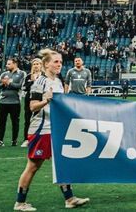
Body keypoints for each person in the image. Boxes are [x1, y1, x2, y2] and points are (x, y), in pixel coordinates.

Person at [14, 48, 89, 211]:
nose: (59, 64)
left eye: (61, 62)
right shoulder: (40, 82)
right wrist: (45, 101)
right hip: (41, 130)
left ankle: (69, 199)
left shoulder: (58, 81)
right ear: (46, 64)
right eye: (56, 62)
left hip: (56, 128)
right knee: (33, 166)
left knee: (62, 162)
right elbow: (32, 107)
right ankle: (19, 203)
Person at [0, 58, 26, 147]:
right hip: (3, 102)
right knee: (1, 122)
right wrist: (3, 83)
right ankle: (0, 141)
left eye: (9, 64)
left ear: (15, 64)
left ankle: (14, 141)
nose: (6, 65)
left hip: (15, 102)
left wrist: (9, 83)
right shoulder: (4, 74)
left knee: (15, 122)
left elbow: (20, 86)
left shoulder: (22, 74)